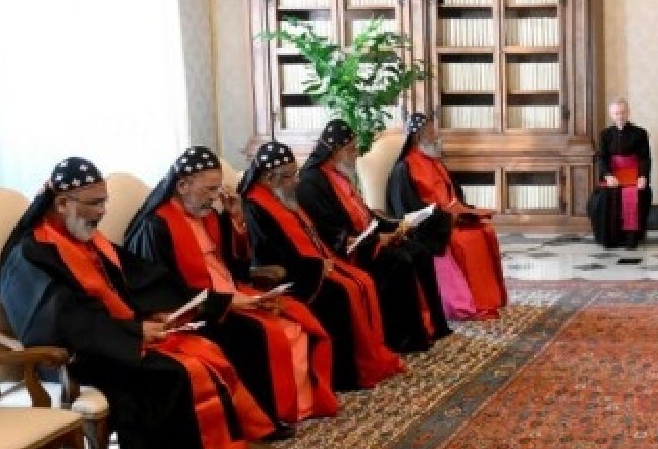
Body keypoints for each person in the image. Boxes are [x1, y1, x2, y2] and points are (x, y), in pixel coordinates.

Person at [0, 158, 284, 449]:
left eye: (104, 202)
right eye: (94, 203)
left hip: (115, 336)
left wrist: (163, 311)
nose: (102, 213)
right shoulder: (33, 252)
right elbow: (61, 320)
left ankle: (228, 446)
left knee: (202, 349)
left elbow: (137, 280)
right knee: (175, 373)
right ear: (61, 203)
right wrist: (133, 332)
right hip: (73, 355)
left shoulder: (87, 238)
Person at [125, 145, 338, 426]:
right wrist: (225, 302)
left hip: (229, 296)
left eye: (216, 190)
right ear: (182, 185)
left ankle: (299, 407)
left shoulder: (211, 216)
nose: (214, 198)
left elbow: (236, 269)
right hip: (199, 312)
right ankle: (268, 418)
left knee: (296, 321)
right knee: (261, 335)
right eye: (208, 190)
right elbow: (165, 292)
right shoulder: (157, 226)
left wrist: (236, 220)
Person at [240, 141, 405, 390]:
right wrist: (315, 268)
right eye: (287, 177)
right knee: (339, 294)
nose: (295, 181)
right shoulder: (254, 205)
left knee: (362, 280)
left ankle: (366, 360)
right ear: (268, 178)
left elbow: (311, 235)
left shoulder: (284, 197)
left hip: (310, 265)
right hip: (289, 275)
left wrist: (326, 258)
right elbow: (267, 254)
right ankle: (345, 376)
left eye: (294, 174)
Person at [296, 120, 451, 349]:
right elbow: (330, 231)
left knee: (420, 251)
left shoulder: (339, 174)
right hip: (348, 251)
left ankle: (432, 326)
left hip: (366, 239)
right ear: (336, 151)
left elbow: (364, 213)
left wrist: (395, 226)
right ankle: (402, 338)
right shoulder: (311, 182)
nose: (356, 153)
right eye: (352, 148)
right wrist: (376, 239)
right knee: (399, 260)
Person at [387, 113, 507, 319]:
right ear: (417, 137)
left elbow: (453, 194)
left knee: (484, 231)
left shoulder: (434, 162)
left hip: (450, 220)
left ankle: (488, 299)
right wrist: (444, 220)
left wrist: (464, 212)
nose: (435, 136)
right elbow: (407, 210)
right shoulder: (403, 168)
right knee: (466, 240)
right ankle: (469, 303)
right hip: (432, 227)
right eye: (431, 132)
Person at [588, 99, 653, 250]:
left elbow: (645, 157)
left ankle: (630, 239)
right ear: (612, 115)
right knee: (603, 196)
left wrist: (643, 176)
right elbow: (602, 158)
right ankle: (610, 238)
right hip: (613, 175)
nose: (620, 116)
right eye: (616, 113)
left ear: (628, 112)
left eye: (623, 112)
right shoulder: (605, 134)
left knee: (637, 193)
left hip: (633, 174)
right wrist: (608, 175)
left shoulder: (640, 133)